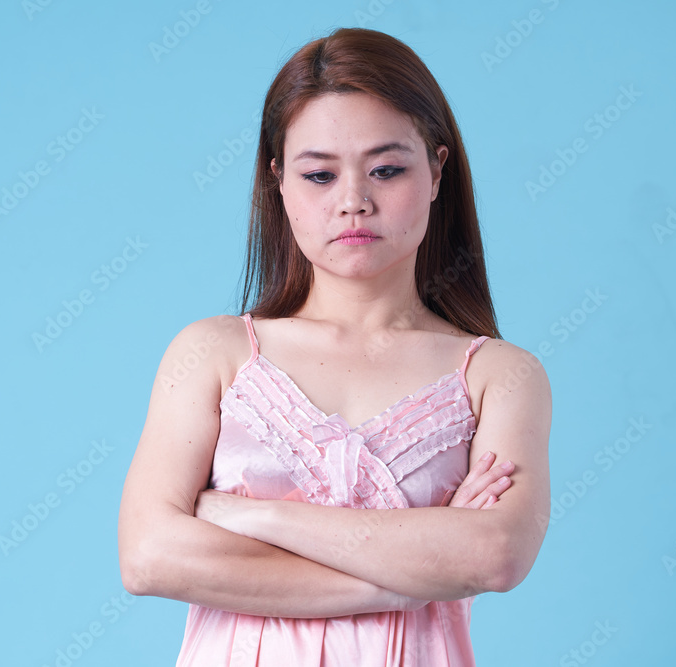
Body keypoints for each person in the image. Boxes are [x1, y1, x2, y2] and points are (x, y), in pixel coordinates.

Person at [118, 26, 552, 666]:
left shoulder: (498, 376)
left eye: (386, 170)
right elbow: (149, 557)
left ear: (437, 171)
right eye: (319, 174)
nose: (354, 201)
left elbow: (496, 555)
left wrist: (253, 518)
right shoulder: (213, 354)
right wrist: (415, 574)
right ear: (278, 181)